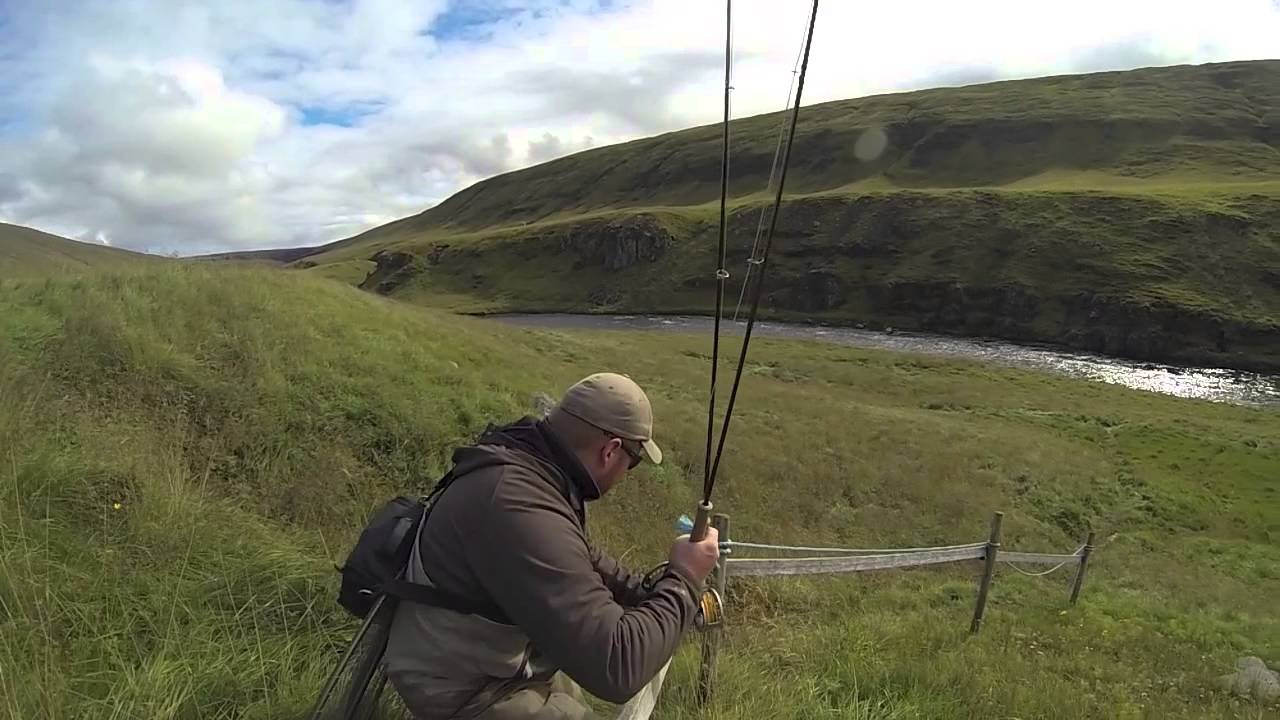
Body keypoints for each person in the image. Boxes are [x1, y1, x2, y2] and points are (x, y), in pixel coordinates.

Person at [384, 372, 721, 719]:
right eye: (632, 464)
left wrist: (645, 592)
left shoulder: (531, 467)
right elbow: (618, 668)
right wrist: (683, 579)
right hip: (466, 690)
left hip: (495, 665)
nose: (626, 473)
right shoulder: (516, 501)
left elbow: (583, 557)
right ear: (611, 450)